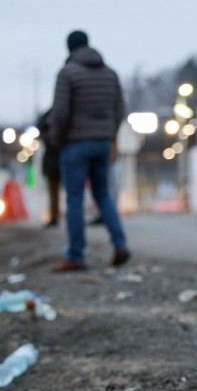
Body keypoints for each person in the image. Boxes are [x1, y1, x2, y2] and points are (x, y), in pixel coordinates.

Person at [47, 30, 131, 272]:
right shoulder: (110, 74)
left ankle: (76, 255)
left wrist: (56, 139)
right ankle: (120, 244)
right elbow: (119, 109)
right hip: (102, 141)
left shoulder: (67, 73)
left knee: (74, 199)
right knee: (103, 195)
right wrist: (109, 134)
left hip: (75, 143)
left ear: (68, 48)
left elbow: (61, 113)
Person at [37, 109, 61, 228]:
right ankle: (55, 215)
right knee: (55, 190)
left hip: (56, 158)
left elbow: (40, 126)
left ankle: (55, 216)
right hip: (59, 157)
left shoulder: (49, 116)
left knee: (54, 191)